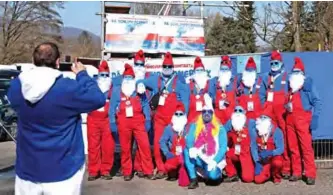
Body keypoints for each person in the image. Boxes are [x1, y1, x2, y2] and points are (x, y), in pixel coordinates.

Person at [8, 42, 105, 195]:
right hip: (63, 169)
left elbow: (14, 103)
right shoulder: (67, 88)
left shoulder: (16, 86)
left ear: (33, 61)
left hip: (28, 168)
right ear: (58, 62)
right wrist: (82, 75)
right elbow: (98, 98)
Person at [137, 52, 189, 179]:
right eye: (165, 66)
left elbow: (186, 101)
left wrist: (183, 117)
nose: (167, 69)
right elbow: (141, 81)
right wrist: (139, 84)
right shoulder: (156, 79)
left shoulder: (179, 81)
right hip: (159, 120)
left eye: (169, 67)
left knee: (174, 145)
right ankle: (161, 169)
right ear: (162, 67)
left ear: (173, 68)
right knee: (157, 144)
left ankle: (173, 167)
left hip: (173, 120)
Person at [109, 64, 155, 181]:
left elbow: (145, 105)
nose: (128, 80)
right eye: (126, 78)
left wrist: (148, 119)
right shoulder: (117, 91)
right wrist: (112, 122)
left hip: (139, 121)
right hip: (123, 122)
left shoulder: (139, 90)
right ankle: (127, 171)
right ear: (123, 79)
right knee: (125, 148)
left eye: (131, 78)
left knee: (144, 146)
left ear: (134, 79)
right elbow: (112, 107)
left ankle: (148, 170)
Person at [285, 57, 321, 185]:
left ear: (302, 74)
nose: (294, 75)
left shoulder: (308, 85)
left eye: (297, 72)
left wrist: (315, 117)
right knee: (293, 147)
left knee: (306, 147)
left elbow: (317, 101)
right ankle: (296, 172)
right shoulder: (290, 87)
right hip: (290, 119)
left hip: (302, 119)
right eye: (293, 72)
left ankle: (310, 173)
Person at [259, 50, 291, 178]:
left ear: (281, 63)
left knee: (284, 138)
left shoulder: (287, 77)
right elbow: (261, 95)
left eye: (276, 63)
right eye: (272, 63)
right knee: (268, 138)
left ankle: (287, 168)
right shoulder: (266, 77)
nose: (274, 65)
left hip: (282, 113)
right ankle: (269, 167)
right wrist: (264, 108)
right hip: (269, 113)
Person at [184, 98, 227, 189]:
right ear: (201, 113)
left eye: (209, 112)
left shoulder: (220, 128)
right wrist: (191, 148)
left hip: (214, 159)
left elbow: (223, 147)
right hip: (200, 157)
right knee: (186, 151)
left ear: (212, 114)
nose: (206, 114)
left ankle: (217, 175)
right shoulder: (195, 125)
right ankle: (193, 179)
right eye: (204, 112)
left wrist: (215, 161)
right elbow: (189, 139)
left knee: (212, 176)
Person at [87, 60, 115, 181]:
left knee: (108, 146)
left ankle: (106, 170)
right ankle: (93, 171)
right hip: (93, 119)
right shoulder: (92, 86)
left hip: (107, 120)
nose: (104, 77)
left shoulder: (113, 88)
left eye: (106, 75)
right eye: (102, 75)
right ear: (98, 75)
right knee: (93, 147)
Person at [159, 102, 190, 187]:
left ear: (184, 115)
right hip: (174, 154)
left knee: (188, 170)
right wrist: (167, 153)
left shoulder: (188, 128)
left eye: (181, 114)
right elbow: (162, 141)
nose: (179, 116)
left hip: (186, 154)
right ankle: (174, 172)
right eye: (176, 114)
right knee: (168, 166)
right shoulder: (169, 128)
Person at [251, 107, 284, 184]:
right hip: (262, 160)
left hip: (273, 158)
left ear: (269, 120)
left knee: (278, 163)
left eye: (265, 117)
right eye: (261, 117)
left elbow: (281, 148)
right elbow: (253, 147)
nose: (262, 119)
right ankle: (267, 172)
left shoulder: (276, 131)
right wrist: (257, 161)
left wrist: (271, 153)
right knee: (258, 180)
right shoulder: (256, 131)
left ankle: (276, 176)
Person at [224, 106, 255, 183]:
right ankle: (232, 174)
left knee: (248, 179)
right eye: (235, 110)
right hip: (236, 151)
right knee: (225, 153)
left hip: (246, 153)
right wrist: (225, 145)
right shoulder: (230, 123)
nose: (237, 112)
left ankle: (248, 169)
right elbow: (222, 132)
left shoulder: (250, 123)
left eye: (240, 110)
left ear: (244, 112)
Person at [209, 55, 237, 124]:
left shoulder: (234, 81)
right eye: (222, 69)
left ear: (229, 70)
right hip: (218, 116)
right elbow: (210, 96)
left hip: (231, 116)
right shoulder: (214, 81)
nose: (224, 71)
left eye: (226, 69)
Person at [186, 56, 212, 123]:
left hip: (205, 119)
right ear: (194, 72)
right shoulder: (189, 84)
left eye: (201, 70)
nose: (199, 72)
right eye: (197, 70)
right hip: (191, 119)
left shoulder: (209, 83)